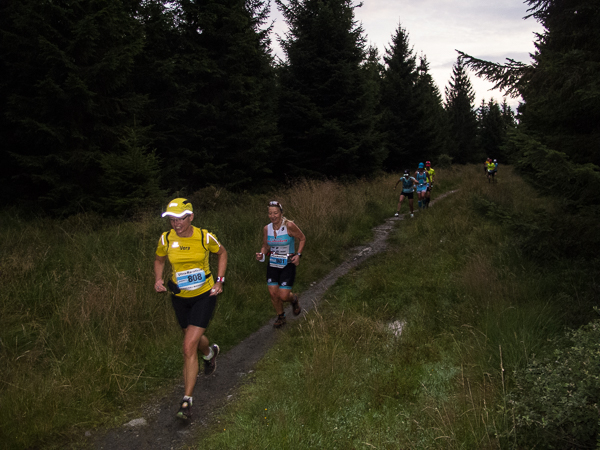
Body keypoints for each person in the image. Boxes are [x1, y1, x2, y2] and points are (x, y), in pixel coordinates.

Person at [154, 198, 228, 420]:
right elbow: (159, 259)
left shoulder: (204, 237)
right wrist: (158, 279)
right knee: (193, 339)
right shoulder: (166, 238)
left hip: (204, 295)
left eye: (180, 219)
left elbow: (222, 253)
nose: (176, 224)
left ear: (191, 217)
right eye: (172, 219)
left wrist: (219, 281)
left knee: (188, 347)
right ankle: (210, 353)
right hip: (179, 297)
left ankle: (187, 401)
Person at [255, 201, 306, 328]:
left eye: (275, 213)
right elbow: (265, 246)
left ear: (281, 213)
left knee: (283, 295)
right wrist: (261, 254)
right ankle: (281, 316)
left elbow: (302, 238)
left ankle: (293, 299)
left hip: (288, 263)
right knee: (273, 293)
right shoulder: (267, 228)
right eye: (270, 213)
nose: (273, 216)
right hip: (273, 263)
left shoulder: (289, 225)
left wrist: (298, 255)